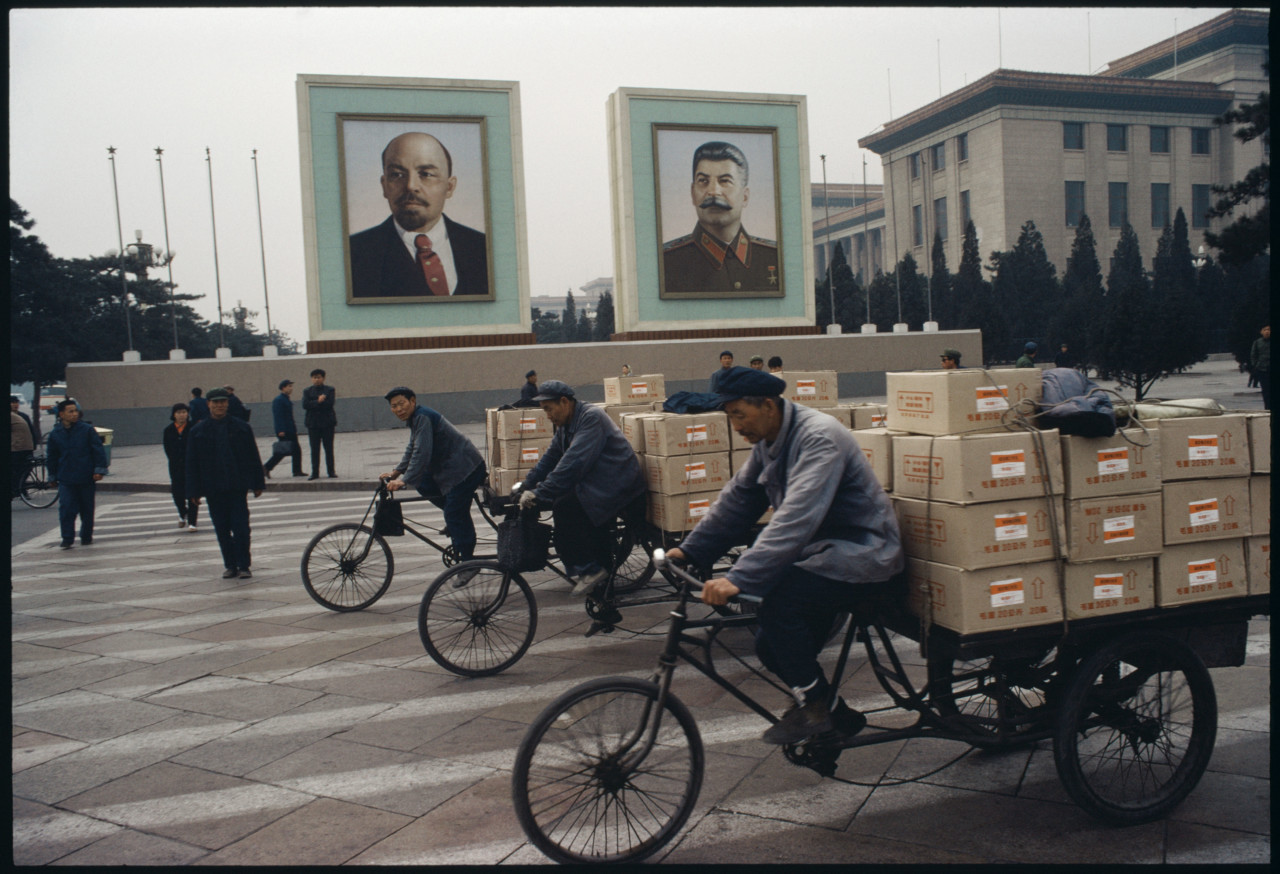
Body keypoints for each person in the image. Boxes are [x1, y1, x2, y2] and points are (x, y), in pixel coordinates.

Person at [665, 367, 904, 745]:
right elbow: (739, 499)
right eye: (729, 417)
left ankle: (816, 708)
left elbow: (797, 517)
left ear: (768, 405)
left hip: (862, 552)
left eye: (739, 415)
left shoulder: (819, 437)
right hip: (821, 554)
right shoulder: (769, 440)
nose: (735, 426)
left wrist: (739, 577)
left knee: (778, 601)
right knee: (769, 644)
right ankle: (836, 713)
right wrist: (691, 549)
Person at [517, 380, 646, 595]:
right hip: (597, 481)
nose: (547, 415)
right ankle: (601, 586)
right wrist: (526, 485)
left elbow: (573, 462)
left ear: (564, 402)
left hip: (618, 482)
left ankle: (590, 570)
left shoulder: (591, 417)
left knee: (565, 507)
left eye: (549, 409)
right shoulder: (565, 425)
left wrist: (541, 492)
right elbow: (550, 458)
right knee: (568, 507)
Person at [348, 132, 489, 299]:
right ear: (384, 186)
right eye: (397, 174)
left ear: (449, 187)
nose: (410, 186)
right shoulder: (352, 254)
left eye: (426, 174)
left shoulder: (486, 248)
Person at [380, 387, 488, 561]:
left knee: (454, 513)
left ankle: (468, 561)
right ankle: (455, 518)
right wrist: (395, 473)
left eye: (401, 404)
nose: (398, 409)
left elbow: (422, 452)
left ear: (412, 401)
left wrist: (404, 480)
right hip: (452, 469)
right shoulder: (416, 419)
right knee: (423, 482)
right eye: (394, 406)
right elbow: (412, 447)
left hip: (466, 468)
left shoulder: (423, 417)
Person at [662, 141, 779, 294]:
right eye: (703, 181)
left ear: (745, 197)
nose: (713, 191)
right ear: (693, 193)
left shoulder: (775, 257)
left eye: (725, 181)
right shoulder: (665, 262)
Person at [186, 387, 264, 579]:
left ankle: (244, 565)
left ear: (228, 404)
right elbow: (192, 463)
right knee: (221, 528)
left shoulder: (241, 427)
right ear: (209, 404)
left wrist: (257, 483)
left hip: (237, 486)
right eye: (216, 402)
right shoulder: (198, 431)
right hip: (213, 488)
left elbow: (253, 456)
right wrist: (193, 491)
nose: (219, 405)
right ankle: (230, 565)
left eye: (223, 402)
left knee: (241, 528)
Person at [45, 398, 108, 549]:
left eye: (76, 411)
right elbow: (52, 456)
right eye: (70, 411)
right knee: (66, 508)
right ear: (61, 414)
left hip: (85, 476)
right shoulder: (55, 433)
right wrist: (52, 475)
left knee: (87, 509)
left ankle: (86, 536)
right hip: (66, 477)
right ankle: (67, 538)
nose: (74, 414)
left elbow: (98, 450)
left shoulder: (86, 430)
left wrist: (99, 470)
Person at [162, 403, 200, 531]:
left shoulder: (193, 428)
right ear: (174, 415)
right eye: (179, 413)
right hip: (176, 467)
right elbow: (167, 448)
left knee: (192, 493)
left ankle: (192, 522)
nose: (182, 415)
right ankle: (183, 512)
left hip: (191, 466)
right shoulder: (168, 430)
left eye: (184, 412)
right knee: (177, 493)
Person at [263, 379, 304, 477]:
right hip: (285, 430)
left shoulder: (285, 399)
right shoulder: (279, 400)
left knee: (296, 450)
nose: (291, 388)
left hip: (290, 429)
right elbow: (278, 416)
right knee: (282, 451)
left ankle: (297, 471)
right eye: (289, 386)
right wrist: (280, 430)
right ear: (283, 388)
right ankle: (266, 467)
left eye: (291, 386)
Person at [302, 368, 337, 479]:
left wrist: (315, 403)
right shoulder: (307, 391)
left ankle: (331, 471)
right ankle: (315, 472)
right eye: (314, 378)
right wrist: (318, 401)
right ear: (311, 379)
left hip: (327, 424)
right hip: (313, 424)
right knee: (314, 449)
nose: (317, 380)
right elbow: (305, 405)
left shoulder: (329, 390)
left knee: (329, 448)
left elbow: (330, 403)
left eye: (319, 377)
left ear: (323, 378)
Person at [12, 403, 36, 499]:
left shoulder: (22, 416)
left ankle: (20, 490)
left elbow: (31, 430)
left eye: (16, 403)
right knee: (21, 469)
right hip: (22, 446)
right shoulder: (18, 416)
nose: (15, 405)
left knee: (19, 469)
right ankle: (19, 490)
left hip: (19, 447)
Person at [1251, 325, 1271, 410]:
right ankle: (1267, 408)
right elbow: (1253, 355)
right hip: (1262, 370)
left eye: (1269, 329)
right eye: (1265, 330)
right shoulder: (1257, 342)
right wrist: (1256, 365)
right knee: (1266, 391)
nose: (1267, 331)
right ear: (1261, 332)